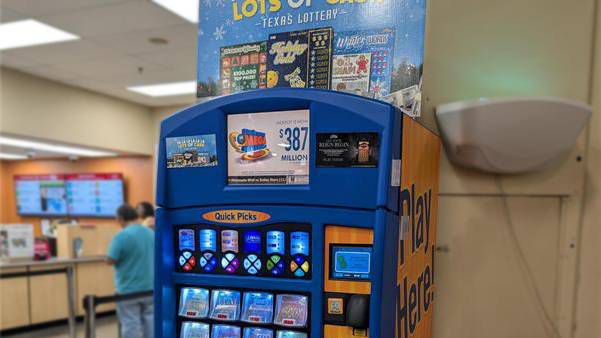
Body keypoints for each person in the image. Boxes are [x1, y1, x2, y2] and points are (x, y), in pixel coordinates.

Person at [107, 204, 155, 338]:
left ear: (121, 219)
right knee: (151, 323)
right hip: (150, 288)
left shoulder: (121, 236)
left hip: (128, 290)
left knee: (130, 325)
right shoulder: (151, 233)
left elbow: (110, 259)